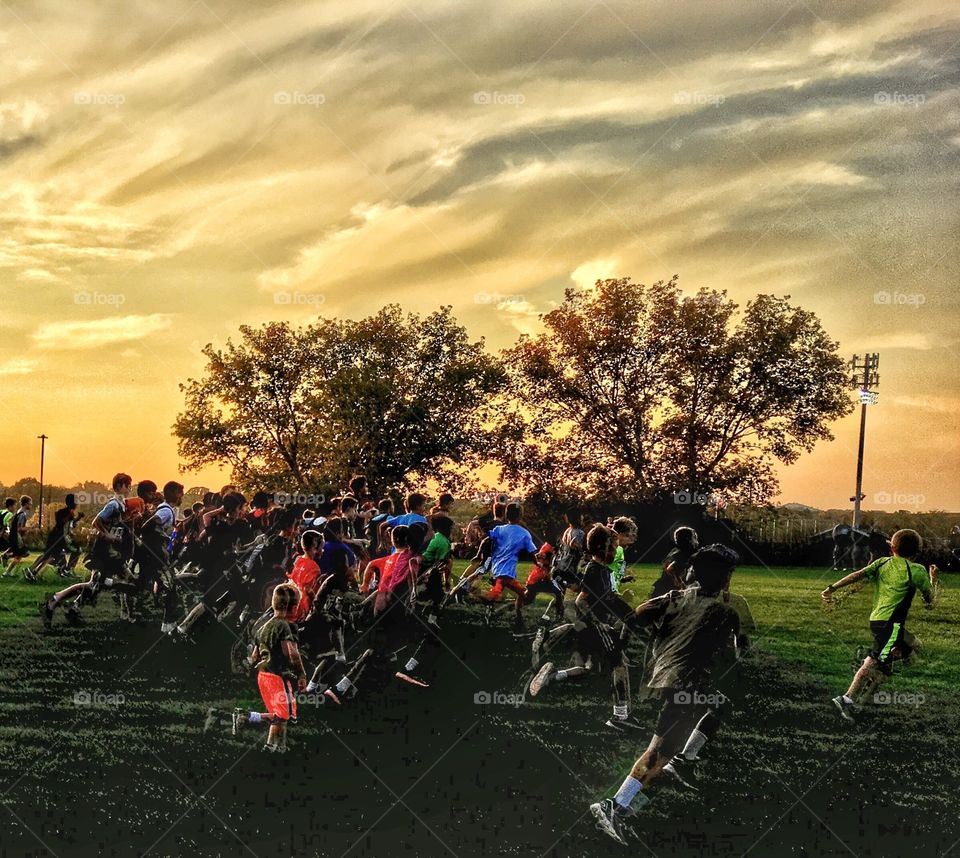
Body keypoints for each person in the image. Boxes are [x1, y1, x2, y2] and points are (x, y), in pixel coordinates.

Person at [588, 544, 742, 844]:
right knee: (658, 750)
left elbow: (634, 619)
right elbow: (732, 656)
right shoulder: (726, 613)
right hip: (685, 684)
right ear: (725, 579)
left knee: (718, 706)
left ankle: (679, 762)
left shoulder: (671, 598)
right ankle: (614, 806)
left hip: (670, 679)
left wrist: (623, 642)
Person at [822, 528, 937, 722]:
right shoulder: (916, 571)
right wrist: (932, 578)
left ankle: (860, 704)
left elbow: (857, 575)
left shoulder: (882, 562)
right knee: (874, 660)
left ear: (892, 548)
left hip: (878, 621)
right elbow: (930, 603)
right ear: (918, 551)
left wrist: (831, 588)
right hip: (891, 625)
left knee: (904, 655)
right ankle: (846, 698)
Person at [206, 582, 307, 752]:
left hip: (263, 675)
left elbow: (254, 656)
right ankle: (253, 727)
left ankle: (276, 745)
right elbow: (292, 653)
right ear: (294, 607)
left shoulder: (262, 627)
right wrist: (301, 674)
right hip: (276, 675)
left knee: (278, 714)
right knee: (283, 715)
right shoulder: (286, 626)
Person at [483, 503, 537, 621]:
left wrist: (479, 554)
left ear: (506, 515)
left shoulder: (498, 529)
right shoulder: (524, 533)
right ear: (520, 516)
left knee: (501, 589)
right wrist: (537, 564)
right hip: (506, 572)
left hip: (496, 568)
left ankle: (491, 609)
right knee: (523, 594)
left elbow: (486, 539)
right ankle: (515, 614)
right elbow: (532, 553)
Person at [28, 494, 84, 580]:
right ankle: (34, 571)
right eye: (76, 502)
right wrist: (70, 516)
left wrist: (78, 518)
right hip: (57, 538)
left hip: (62, 538)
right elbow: (60, 523)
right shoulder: (63, 512)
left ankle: (33, 571)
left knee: (51, 556)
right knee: (49, 556)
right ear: (72, 503)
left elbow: (70, 525)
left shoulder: (70, 513)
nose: (78, 504)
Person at [651, 527, 699, 598]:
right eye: (694, 537)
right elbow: (670, 568)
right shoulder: (685, 554)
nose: (696, 540)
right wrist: (681, 584)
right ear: (689, 539)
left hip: (666, 588)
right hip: (673, 591)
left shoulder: (675, 551)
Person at [1, 495, 33, 577]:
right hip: (17, 537)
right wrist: (32, 528)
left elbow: (12, 523)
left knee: (21, 553)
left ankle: (8, 567)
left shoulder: (18, 512)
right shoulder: (22, 514)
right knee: (20, 555)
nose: (31, 505)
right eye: (30, 503)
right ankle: (7, 571)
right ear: (26, 504)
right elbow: (19, 528)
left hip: (14, 536)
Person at [608, 517, 637, 593]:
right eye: (627, 536)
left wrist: (623, 579)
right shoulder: (616, 550)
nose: (631, 539)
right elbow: (605, 572)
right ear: (619, 535)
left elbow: (613, 571)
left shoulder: (618, 549)